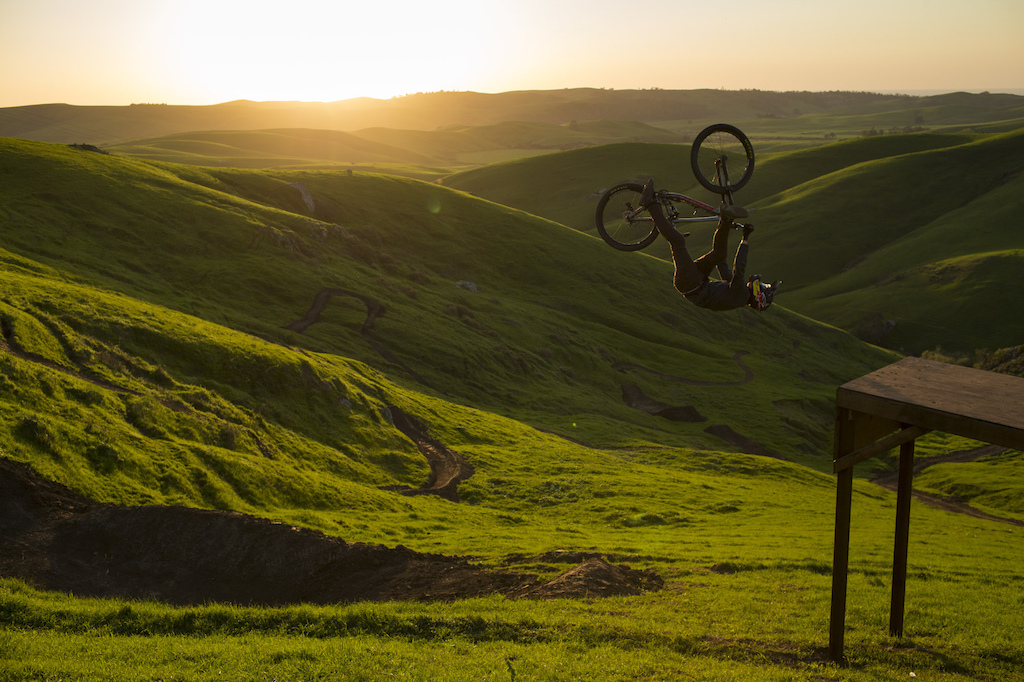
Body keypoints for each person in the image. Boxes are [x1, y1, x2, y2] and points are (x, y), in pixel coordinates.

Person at [641, 180, 779, 312]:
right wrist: (724, 235)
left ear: (758, 296)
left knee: (677, 241)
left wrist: (745, 239)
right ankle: (725, 219)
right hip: (697, 280)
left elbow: (739, 269)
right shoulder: (737, 296)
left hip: (690, 282)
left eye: (763, 287)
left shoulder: (741, 296)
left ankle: (651, 204)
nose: (760, 285)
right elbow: (723, 266)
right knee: (720, 255)